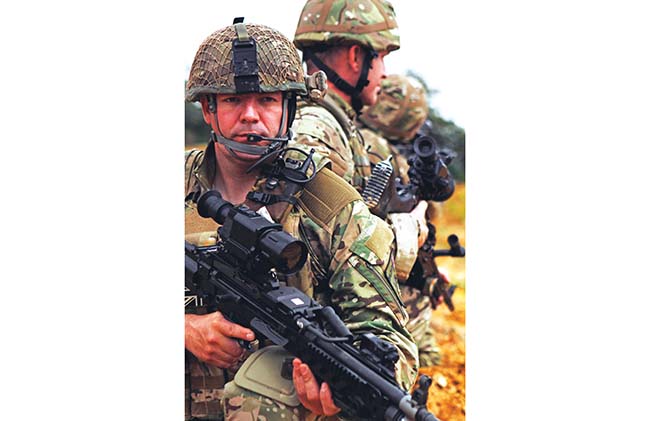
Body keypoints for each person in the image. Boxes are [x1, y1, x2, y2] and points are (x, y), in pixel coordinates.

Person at [184, 19, 418, 421]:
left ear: (290, 108)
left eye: (267, 100)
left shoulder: (333, 208)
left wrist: (339, 394)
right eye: (233, 100)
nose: (251, 116)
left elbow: (391, 340)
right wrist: (186, 327)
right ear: (208, 108)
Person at [290, 0, 429, 298]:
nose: (384, 74)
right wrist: (409, 231)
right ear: (356, 57)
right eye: (382, 58)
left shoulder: (332, 123)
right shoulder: (317, 129)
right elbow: (318, 251)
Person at [358, 73, 454, 367]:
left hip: (380, 267)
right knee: (424, 358)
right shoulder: (378, 151)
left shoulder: (354, 138)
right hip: (376, 276)